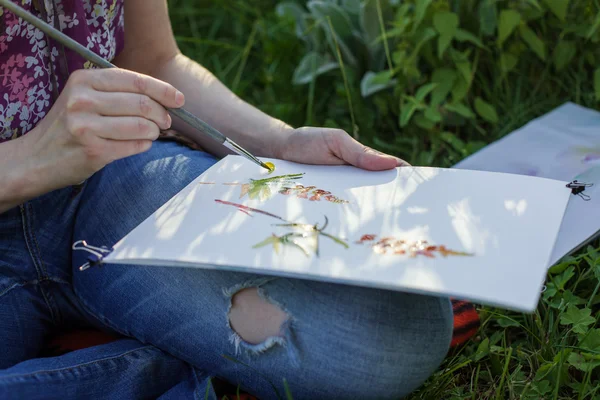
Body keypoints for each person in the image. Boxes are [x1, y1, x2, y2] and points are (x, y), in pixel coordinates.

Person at [0, 1, 453, 399]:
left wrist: (278, 142)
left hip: (110, 180)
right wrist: (27, 161)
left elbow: (152, 60)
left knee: (396, 332)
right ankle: (184, 366)